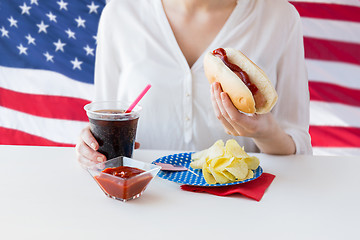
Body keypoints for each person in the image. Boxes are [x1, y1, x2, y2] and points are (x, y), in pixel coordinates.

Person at [76, 0, 313, 166]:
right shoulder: (120, 13)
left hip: (238, 206)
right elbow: (105, 115)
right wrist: (92, 147)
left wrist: (264, 133)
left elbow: (298, 143)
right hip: (144, 199)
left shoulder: (280, 17)